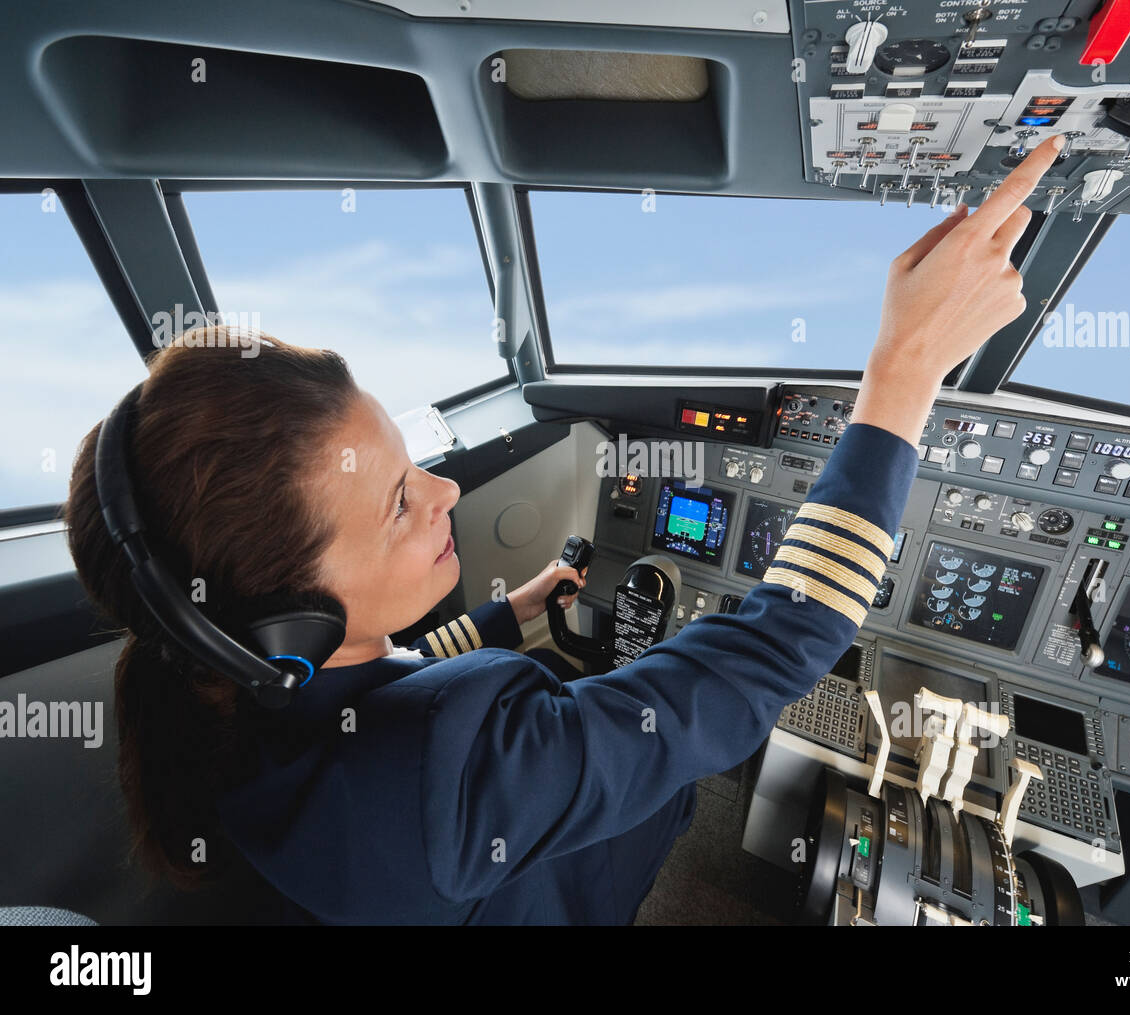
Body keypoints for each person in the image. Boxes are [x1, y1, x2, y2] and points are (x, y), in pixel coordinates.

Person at [64, 137, 1064, 925]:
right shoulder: (455, 798)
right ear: (290, 625)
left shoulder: (237, 706)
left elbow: (379, 683)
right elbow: (776, 643)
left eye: (410, 461)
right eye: (398, 506)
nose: (445, 494)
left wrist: (507, 616)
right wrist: (904, 373)